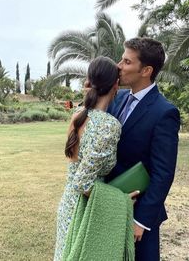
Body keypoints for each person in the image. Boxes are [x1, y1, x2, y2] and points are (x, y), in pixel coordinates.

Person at [54, 56, 138, 261]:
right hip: (84, 210)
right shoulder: (108, 125)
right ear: (116, 84)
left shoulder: (78, 113)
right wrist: (120, 201)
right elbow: (83, 182)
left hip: (68, 203)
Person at [105, 37, 181, 260]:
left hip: (138, 214)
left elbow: (163, 173)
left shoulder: (164, 112)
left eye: (127, 62)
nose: (119, 66)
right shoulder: (115, 98)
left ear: (146, 70)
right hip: (111, 205)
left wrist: (141, 220)